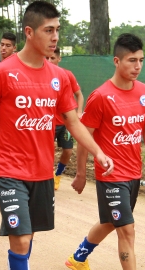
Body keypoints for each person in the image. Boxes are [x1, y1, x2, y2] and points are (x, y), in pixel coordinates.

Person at [0, 1, 113, 270]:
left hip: (41, 173)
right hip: (8, 171)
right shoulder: (2, 72)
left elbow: (72, 120)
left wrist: (98, 151)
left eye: (58, 30)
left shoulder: (59, 77)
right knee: (21, 238)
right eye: (48, 30)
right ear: (29, 32)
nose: (56, 37)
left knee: (28, 237)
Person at [67, 33, 145, 270]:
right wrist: (82, 173)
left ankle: (78, 257)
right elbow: (86, 137)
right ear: (117, 60)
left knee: (110, 222)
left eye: (141, 61)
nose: (137, 66)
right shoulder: (101, 96)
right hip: (110, 175)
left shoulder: (144, 92)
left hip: (133, 173)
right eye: (132, 60)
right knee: (127, 230)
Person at [46, 47, 84, 190]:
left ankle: (58, 175)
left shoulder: (67, 75)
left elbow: (79, 94)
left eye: (52, 58)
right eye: (47, 58)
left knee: (68, 151)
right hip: (48, 123)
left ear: (59, 59)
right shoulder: (42, 75)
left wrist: (79, 112)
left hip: (66, 123)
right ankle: (47, 177)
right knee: (47, 152)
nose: (49, 61)